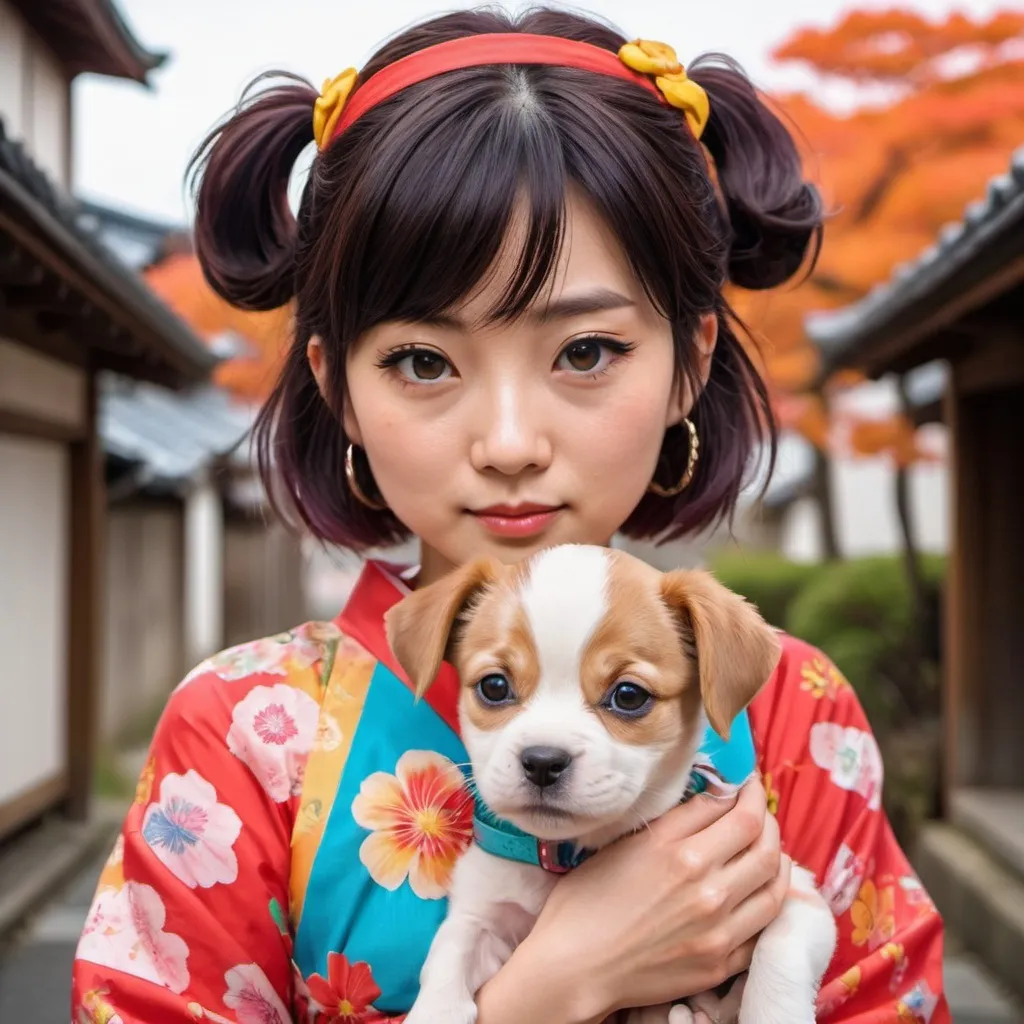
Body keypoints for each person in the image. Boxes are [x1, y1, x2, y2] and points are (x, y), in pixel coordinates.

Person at [71, 7, 948, 1023]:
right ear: (338, 387)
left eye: (584, 351)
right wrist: (546, 991)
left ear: (690, 361)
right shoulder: (242, 734)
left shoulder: (795, 709)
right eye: (422, 361)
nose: (508, 439)